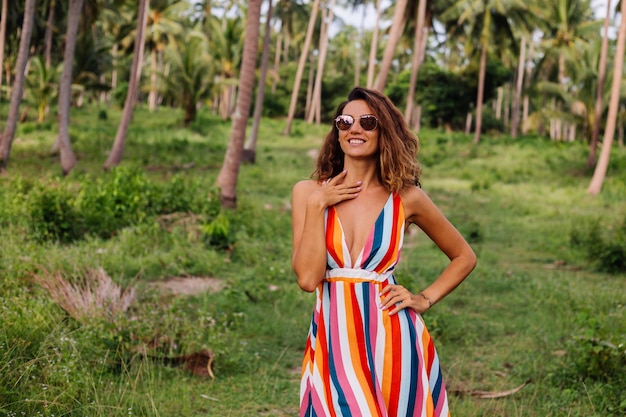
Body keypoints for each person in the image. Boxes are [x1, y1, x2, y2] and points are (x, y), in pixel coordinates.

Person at [291, 87, 477, 416]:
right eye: (345, 121)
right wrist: (319, 204)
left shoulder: (406, 198)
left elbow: (464, 256)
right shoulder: (308, 193)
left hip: (392, 342)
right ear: (337, 131)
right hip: (334, 342)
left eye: (368, 121)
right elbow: (308, 278)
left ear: (384, 131)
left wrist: (424, 299)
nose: (354, 129)